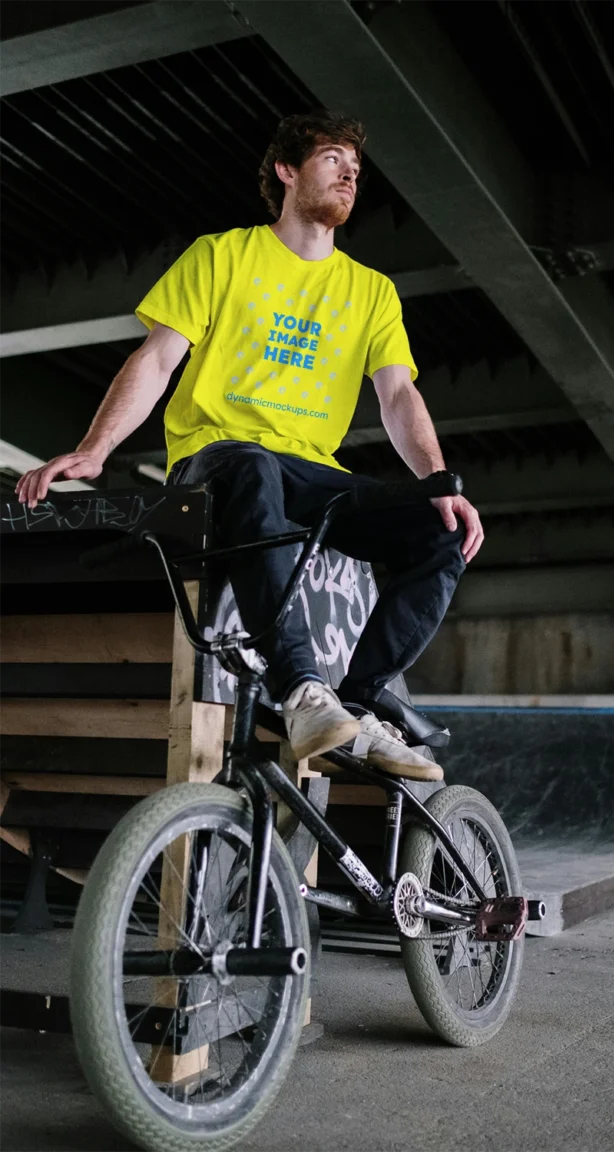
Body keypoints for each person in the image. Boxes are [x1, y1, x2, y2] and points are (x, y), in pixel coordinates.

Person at [15, 111, 483, 781]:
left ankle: (356, 707)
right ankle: (303, 690)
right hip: (219, 458)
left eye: (356, 166)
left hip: (312, 471)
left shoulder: (371, 292)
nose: (349, 172)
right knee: (254, 464)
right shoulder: (221, 255)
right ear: (287, 172)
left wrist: (437, 482)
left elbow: (397, 395)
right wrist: (96, 447)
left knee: (436, 533)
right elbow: (157, 359)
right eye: (331, 159)